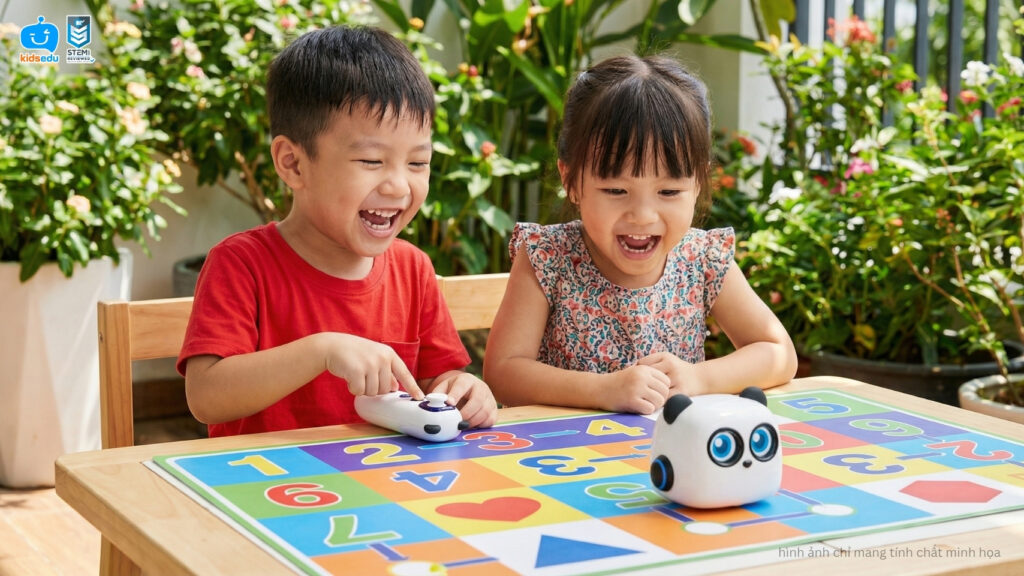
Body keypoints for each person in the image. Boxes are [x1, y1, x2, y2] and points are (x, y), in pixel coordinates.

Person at [177, 25, 497, 436]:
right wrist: (321, 350)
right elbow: (206, 397)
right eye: (370, 161)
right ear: (293, 164)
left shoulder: (412, 269)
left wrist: (466, 390)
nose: (399, 186)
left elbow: (440, 382)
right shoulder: (241, 264)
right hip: (266, 489)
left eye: (417, 163)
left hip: (385, 487)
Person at [484, 54, 797, 414]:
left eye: (668, 192)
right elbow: (503, 371)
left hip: (670, 459)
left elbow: (778, 352)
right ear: (571, 181)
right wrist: (604, 391)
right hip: (562, 459)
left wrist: (699, 378)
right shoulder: (548, 257)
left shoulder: (702, 259)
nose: (643, 216)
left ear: (698, 183)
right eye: (616, 191)